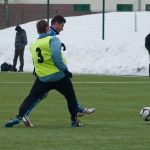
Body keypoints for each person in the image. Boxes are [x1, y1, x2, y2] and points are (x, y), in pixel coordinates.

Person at [5, 18, 95, 128]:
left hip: (43, 78)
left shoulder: (33, 44)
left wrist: (39, 72)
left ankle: (19, 116)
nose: (62, 28)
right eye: (62, 25)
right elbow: (56, 57)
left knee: (32, 96)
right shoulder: (53, 39)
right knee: (70, 96)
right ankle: (74, 120)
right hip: (58, 76)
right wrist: (65, 71)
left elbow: (36, 61)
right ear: (48, 28)